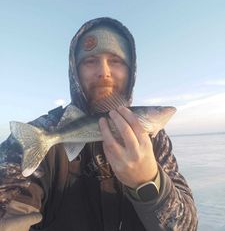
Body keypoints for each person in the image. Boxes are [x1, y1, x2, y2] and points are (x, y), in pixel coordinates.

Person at [0, 17, 198, 231]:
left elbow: (188, 226)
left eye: (116, 61)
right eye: (90, 61)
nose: (104, 72)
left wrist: (149, 182)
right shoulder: (38, 134)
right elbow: (8, 208)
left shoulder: (155, 140)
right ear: (75, 71)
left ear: (131, 71)